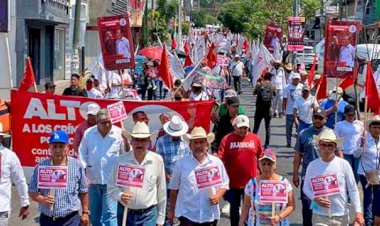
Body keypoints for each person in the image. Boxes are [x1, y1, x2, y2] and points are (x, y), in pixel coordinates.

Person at [107, 122, 166, 226]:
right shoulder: (121, 160)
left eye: (143, 140)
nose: (140, 144)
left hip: (148, 215)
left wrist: (161, 216)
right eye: (137, 140)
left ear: (149, 141)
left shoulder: (157, 160)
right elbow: (111, 187)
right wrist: (120, 195)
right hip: (125, 213)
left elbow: (161, 190)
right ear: (131, 141)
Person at [168, 127, 229, 225]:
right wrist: (171, 211)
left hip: (209, 214)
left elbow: (224, 184)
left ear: (207, 145)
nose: (198, 145)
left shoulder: (216, 162)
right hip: (187, 215)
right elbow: (173, 188)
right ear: (190, 145)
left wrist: (218, 196)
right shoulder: (181, 164)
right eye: (195, 142)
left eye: (201, 142)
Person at [293, 109, 343, 226]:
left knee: (326, 207)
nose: (318, 120)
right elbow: (298, 155)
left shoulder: (332, 133)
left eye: (321, 118)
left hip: (327, 176)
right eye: (316, 117)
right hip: (308, 176)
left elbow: (339, 154)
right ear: (312, 118)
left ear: (325, 119)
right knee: (307, 205)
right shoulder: (303, 133)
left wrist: (341, 173)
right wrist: (295, 174)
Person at [303, 129, 364, 226]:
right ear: (319, 146)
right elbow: (306, 187)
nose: (326, 148)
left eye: (330, 145)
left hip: (340, 215)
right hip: (319, 215)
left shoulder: (344, 164)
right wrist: (315, 198)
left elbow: (353, 189)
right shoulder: (312, 165)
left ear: (335, 147)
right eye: (323, 145)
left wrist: (358, 212)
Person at [29, 131, 89, 226]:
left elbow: (83, 191)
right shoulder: (41, 167)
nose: (57, 150)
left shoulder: (77, 165)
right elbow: (32, 191)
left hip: (70, 219)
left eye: (61, 146)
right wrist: (42, 199)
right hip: (47, 220)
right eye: (54, 146)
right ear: (50, 147)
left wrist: (85, 213)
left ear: (67, 147)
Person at [79, 109, 127, 226]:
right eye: (103, 122)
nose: (107, 125)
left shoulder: (119, 133)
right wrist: (83, 174)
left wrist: (126, 141)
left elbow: (126, 155)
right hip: (93, 180)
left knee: (110, 215)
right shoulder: (88, 133)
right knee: (95, 215)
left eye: (109, 122)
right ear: (97, 122)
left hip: (111, 182)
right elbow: (82, 154)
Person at [217, 115, 263, 226]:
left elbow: (261, 156)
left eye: (245, 128)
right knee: (234, 211)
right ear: (235, 127)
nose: (243, 130)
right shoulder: (227, 139)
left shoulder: (255, 139)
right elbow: (220, 159)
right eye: (240, 127)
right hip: (233, 182)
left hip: (251, 183)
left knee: (250, 210)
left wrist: (263, 175)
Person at [239, 149, 295, 226]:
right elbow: (246, 206)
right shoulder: (251, 184)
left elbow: (291, 206)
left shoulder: (283, 182)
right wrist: (241, 222)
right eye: (263, 164)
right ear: (259, 165)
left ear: (275, 165)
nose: (266, 167)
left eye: (269, 164)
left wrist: (279, 217)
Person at [0, 123, 30, 226]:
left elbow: (19, 180)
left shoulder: (9, 156)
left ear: (1, 138)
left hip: (1, 208)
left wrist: (25, 202)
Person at [353, 115, 380, 226]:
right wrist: (361, 146)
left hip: (378, 175)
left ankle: (375, 217)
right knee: (368, 197)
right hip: (366, 173)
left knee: (378, 198)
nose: (377, 129)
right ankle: (368, 220)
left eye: (379, 127)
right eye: (374, 127)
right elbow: (355, 154)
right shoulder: (364, 139)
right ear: (370, 128)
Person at [334, 105, 364, 183]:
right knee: (347, 174)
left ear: (355, 114)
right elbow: (336, 139)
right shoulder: (339, 125)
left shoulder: (360, 124)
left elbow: (363, 135)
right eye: (348, 115)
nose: (350, 116)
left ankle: (354, 189)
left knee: (357, 174)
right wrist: (338, 153)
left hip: (357, 153)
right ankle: (347, 192)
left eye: (352, 115)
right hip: (345, 153)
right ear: (344, 115)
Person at [253, 72, 276, 148]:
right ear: (270, 78)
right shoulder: (272, 86)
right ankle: (267, 144)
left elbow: (254, 93)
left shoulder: (260, 85)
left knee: (256, 127)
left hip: (259, 108)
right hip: (268, 109)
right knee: (268, 127)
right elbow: (275, 94)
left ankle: (252, 142)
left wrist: (257, 84)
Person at [283, 73, 304, 147]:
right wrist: (283, 109)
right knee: (289, 128)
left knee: (299, 128)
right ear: (292, 79)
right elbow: (284, 99)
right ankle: (288, 142)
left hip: (299, 112)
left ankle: (298, 143)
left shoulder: (302, 87)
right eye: (295, 79)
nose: (296, 81)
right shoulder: (287, 87)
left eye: (298, 79)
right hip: (289, 111)